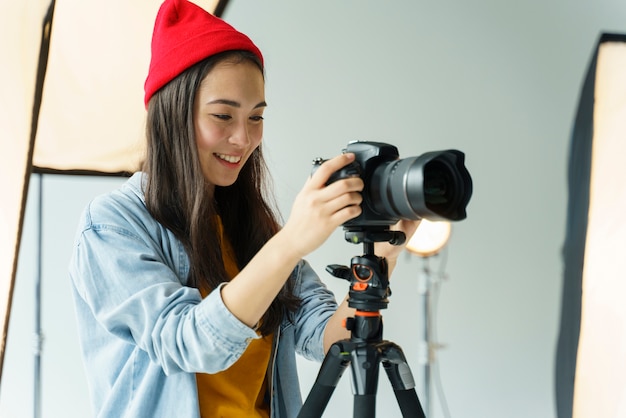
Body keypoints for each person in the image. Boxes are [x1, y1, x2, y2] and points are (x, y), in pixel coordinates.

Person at [69, 0, 418, 417]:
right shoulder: (112, 226)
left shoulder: (253, 229)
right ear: (171, 116)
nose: (243, 138)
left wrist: (386, 253)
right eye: (223, 116)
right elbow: (189, 344)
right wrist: (290, 242)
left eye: (256, 117)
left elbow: (326, 338)